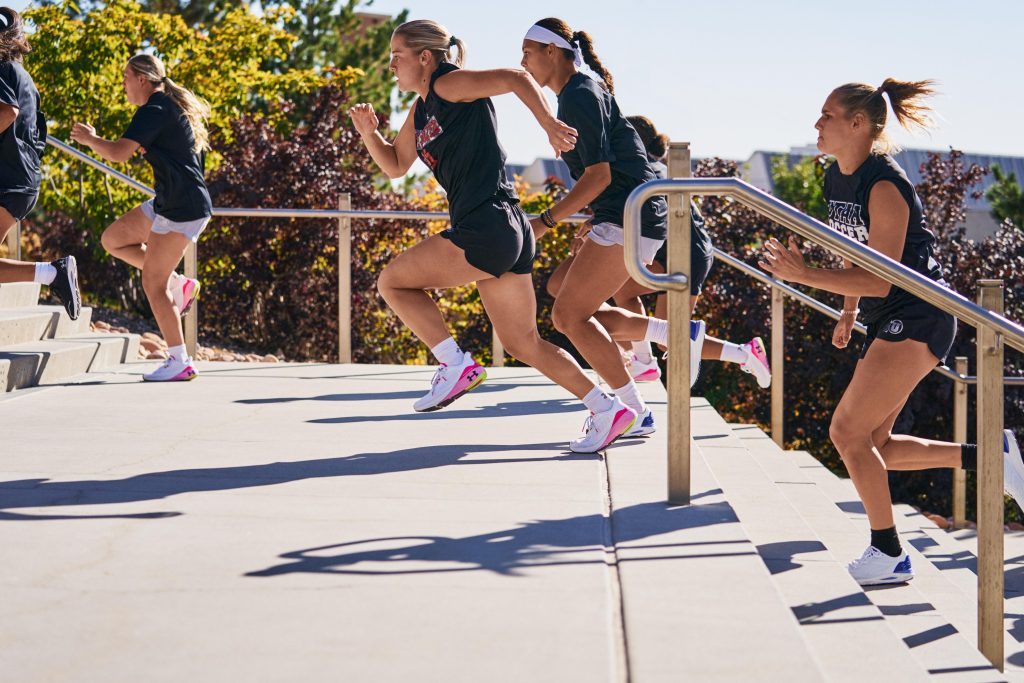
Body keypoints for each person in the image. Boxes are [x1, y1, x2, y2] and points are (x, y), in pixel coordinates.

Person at [759, 78, 1024, 586]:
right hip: (888, 314)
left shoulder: (884, 185)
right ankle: (995, 455)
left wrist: (804, 275)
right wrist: (846, 310)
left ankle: (889, 552)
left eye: (826, 115)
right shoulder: (836, 176)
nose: (816, 124)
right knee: (874, 443)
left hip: (922, 312)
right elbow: (858, 254)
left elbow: (883, 276)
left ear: (858, 124)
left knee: (847, 432)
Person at [348, 19, 637, 453]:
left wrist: (547, 124)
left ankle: (453, 364)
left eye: (397, 56)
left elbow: (515, 78)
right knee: (524, 343)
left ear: (425, 58)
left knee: (392, 281)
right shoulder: (422, 108)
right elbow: (395, 165)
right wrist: (370, 135)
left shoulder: (449, 84)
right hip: (506, 228)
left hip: (487, 225)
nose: (391, 65)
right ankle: (606, 408)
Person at [521, 18, 704, 439]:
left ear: (552, 51)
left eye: (528, 52)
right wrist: (592, 217)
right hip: (623, 213)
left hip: (630, 214)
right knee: (561, 287)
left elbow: (600, 175)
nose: (523, 61)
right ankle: (674, 334)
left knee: (568, 315)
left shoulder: (578, 96)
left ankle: (630, 410)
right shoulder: (581, 91)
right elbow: (611, 171)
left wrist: (547, 221)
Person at [546, 114, 770, 389]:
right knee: (622, 292)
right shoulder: (639, 168)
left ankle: (745, 352)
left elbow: (650, 206)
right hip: (664, 250)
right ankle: (644, 361)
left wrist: (596, 224)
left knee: (671, 337)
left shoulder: (651, 170)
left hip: (686, 254)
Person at [71, 53, 209, 382]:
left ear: (142, 80)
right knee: (113, 239)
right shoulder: (161, 108)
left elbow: (119, 153)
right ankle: (181, 283)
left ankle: (180, 360)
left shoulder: (156, 109)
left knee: (152, 283)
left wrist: (90, 139)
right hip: (169, 202)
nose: (124, 84)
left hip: (182, 208)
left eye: (125, 78)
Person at [0, 7, 79, 319]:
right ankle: (51, 273)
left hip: (8, 181)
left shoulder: (2, 69)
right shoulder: (24, 77)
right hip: (20, 180)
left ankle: (53, 272)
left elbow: (8, 113)